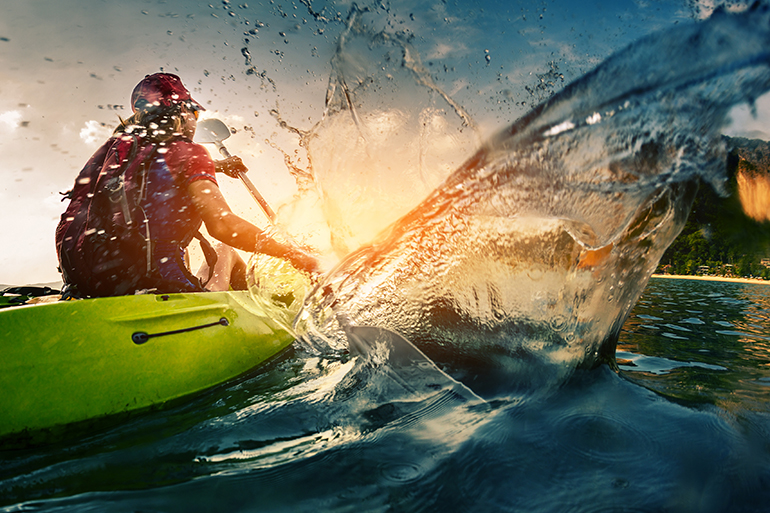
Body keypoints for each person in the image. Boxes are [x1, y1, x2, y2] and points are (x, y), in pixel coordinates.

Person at [56, 72, 319, 297]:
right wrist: (295, 256)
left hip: (90, 287)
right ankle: (251, 320)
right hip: (157, 286)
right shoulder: (190, 152)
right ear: (182, 111)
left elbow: (155, 170)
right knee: (225, 249)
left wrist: (217, 165)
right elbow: (223, 226)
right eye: (194, 112)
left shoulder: (116, 153)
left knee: (172, 238)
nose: (195, 121)